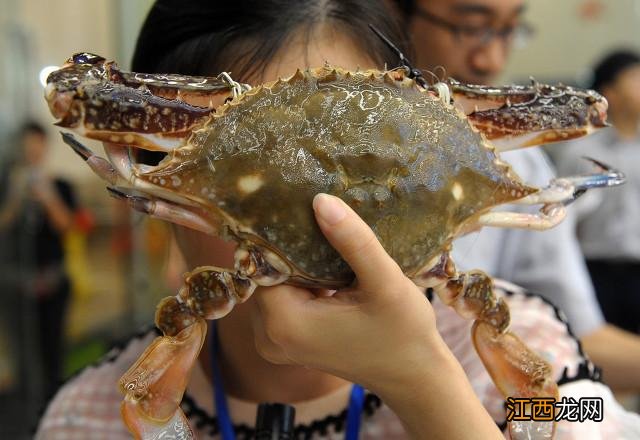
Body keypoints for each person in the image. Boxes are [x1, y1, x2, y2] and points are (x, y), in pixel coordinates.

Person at [37, 1, 640, 439]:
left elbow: (584, 412)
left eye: (382, 130)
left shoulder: (524, 355)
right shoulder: (84, 416)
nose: (337, 217)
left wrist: (426, 383)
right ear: (139, 175)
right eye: (270, 145)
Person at [391, 0, 640, 393]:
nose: (490, 60)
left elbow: (579, 337)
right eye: (471, 27)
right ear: (393, 13)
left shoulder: (518, 161)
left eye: (509, 30)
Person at [553, 50, 640, 335]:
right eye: (635, 78)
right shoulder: (580, 150)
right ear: (610, 93)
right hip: (595, 270)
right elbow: (562, 214)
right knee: (597, 347)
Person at [0, 121, 77, 400]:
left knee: (52, 350)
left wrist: (46, 195)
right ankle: (25, 408)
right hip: (16, 284)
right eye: (27, 143)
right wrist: (15, 199)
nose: (32, 149)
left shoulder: (61, 185)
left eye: (37, 143)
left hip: (52, 282)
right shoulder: (8, 185)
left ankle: (54, 402)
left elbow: (67, 226)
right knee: (22, 352)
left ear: (45, 146)